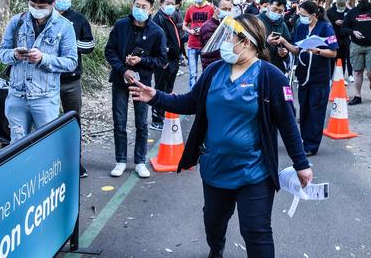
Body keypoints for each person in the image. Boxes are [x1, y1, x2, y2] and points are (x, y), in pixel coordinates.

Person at [129, 14, 312, 258]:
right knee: (213, 224)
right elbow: (191, 102)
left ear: (246, 42)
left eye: (230, 38)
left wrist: (302, 164)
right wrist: (156, 97)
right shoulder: (215, 71)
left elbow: (288, 124)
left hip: (254, 172)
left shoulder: (271, 77)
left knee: (257, 232)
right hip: (216, 169)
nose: (225, 42)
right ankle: (217, 248)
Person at [0, 0, 78, 142]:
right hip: (17, 96)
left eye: (41, 7)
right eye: (32, 5)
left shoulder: (64, 26)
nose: (36, 10)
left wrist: (43, 58)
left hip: (45, 98)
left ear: (52, 3)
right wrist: (13, 54)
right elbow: (1, 53)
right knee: (16, 145)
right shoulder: (17, 22)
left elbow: (71, 62)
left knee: (46, 145)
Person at [105, 0, 167, 179]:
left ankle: (140, 161)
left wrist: (141, 60)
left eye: (144, 7)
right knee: (120, 121)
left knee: (141, 122)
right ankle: (120, 160)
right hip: (120, 80)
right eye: (137, 6)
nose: (140, 10)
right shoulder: (121, 25)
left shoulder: (156, 31)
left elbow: (162, 60)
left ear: (151, 10)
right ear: (132, 5)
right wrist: (123, 70)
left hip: (143, 84)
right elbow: (109, 51)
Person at [279, 1, 338, 156]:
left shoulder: (326, 27)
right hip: (303, 74)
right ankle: (304, 142)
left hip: (320, 76)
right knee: (304, 109)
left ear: (314, 15)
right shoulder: (301, 27)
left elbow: (333, 52)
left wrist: (317, 51)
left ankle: (312, 145)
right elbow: (297, 50)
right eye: (300, 15)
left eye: (304, 15)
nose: (302, 17)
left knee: (316, 109)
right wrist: (284, 43)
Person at [54, 0, 95, 178]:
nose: (64, 0)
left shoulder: (78, 19)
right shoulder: (47, 17)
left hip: (71, 81)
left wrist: (69, 45)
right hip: (49, 80)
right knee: (47, 124)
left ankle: (75, 162)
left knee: (74, 121)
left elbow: (90, 46)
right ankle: (51, 163)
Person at [151, 0, 184, 131]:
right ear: (161, 4)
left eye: (173, 3)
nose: (171, 6)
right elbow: (157, 42)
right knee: (160, 90)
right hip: (164, 62)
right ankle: (156, 119)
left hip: (173, 61)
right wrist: (163, 60)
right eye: (168, 3)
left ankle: (162, 116)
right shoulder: (158, 19)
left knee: (168, 90)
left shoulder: (169, 18)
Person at [183, 0, 215, 88]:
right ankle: (192, 95)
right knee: (193, 74)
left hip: (205, 45)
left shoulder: (210, 9)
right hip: (192, 45)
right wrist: (190, 31)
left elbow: (215, 24)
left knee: (207, 71)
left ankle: (204, 92)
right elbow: (184, 25)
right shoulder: (190, 9)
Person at [258, 0, 291, 73]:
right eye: (275, 9)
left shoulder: (282, 25)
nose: (277, 13)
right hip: (259, 66)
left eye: (280, 11)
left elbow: (288, 44)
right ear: (268, 6)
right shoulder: (257, 22)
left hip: (277, 67)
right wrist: (267, 42)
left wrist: (284, 53)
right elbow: (250, 46)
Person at [327, 0, 354, 83]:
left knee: (343, 58)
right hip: (333, 37)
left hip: (345, 38)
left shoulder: (348, 11)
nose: (341, 9)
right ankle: (330, 77)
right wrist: (335, 22)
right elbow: (326, 23)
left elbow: (352, 23)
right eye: (340, 8)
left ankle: (341, 77)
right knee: (332, 58)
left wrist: (344, 23)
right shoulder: (330, 11)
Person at [200, 0, 232, 69]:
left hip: (223, 67)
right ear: (215, 8)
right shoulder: (208, 27)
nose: (227, 12)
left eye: (229, 9)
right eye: (224, 9)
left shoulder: (226, 24)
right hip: (213, 68)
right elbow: (212, 51)